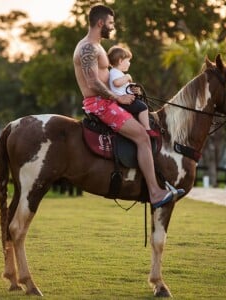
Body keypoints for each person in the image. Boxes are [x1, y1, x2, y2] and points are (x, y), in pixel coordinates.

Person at [73, 4, 184, 208]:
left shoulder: (96, 46)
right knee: (142, 136)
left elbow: (106, 79)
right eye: (111, 23)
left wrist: (126, 92)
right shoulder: (88, 47)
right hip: (100, 104)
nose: (112, 27)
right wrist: (118, 99)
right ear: (100, 23)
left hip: (106, 100)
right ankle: (155, 192)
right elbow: (92, 83)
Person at [107, 45, 158, 137]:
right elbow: (117, 83)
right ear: (120, 61)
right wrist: (127, 77)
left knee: (141, 104)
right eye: (128, 61)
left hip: (125, 100)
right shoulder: (114, 72)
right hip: (122, 102)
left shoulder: (118, 73)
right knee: (143, 107)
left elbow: (122, 86)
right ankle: (147, 128)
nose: (129, 63)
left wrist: (132, 87)